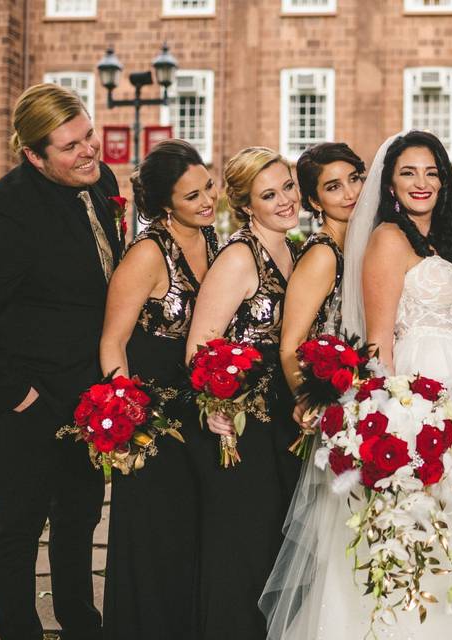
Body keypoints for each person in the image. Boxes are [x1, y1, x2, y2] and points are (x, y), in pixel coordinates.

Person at [260, 131, 452, 639]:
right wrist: (401, 423)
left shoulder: (444, 240)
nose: (421, 183)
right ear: (391, 185)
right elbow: (378, 341)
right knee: (415, 537)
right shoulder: (387, 238)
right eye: (408, 172)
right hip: (421, 401)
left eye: (431, 172)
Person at [0, 83, 119, 640]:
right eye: (70, 147)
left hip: (89, 399)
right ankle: (19, 630)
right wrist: (17, 396)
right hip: (28, 401)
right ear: (34, 156)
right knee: (18, 527)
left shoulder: (102, 181)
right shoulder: (8, 208)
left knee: (80, 518)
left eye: (89, 134)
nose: (88, 150)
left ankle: (80, 622)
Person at [98, 139, 219, 638]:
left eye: (208, 187)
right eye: (193, 196)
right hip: (154, 423)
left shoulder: (213, 241)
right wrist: (129, 421)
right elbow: (112, 343)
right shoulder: (147, 254)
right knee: (153, 537)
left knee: (193, 535)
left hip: (202, 412)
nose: (208, 200)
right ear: (166, 205)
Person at [186, 146, 303, 639]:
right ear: (246, 205)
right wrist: (217, 405)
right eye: (269, 194)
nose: (285, 200)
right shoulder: (238, 257)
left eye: (288, 187)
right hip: (245, 422)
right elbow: (199, 346)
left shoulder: (295, 249)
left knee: (280, 541)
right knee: (245, 545)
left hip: (286, 417)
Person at [279, 142, 365, 418]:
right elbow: (291, 344)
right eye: (333, 187)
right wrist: (310, 404)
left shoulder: (359, 247)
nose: (350, 193)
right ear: (315, 202)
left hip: (362, 391)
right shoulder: (322, 254)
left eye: (354, 179)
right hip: (333, 401)